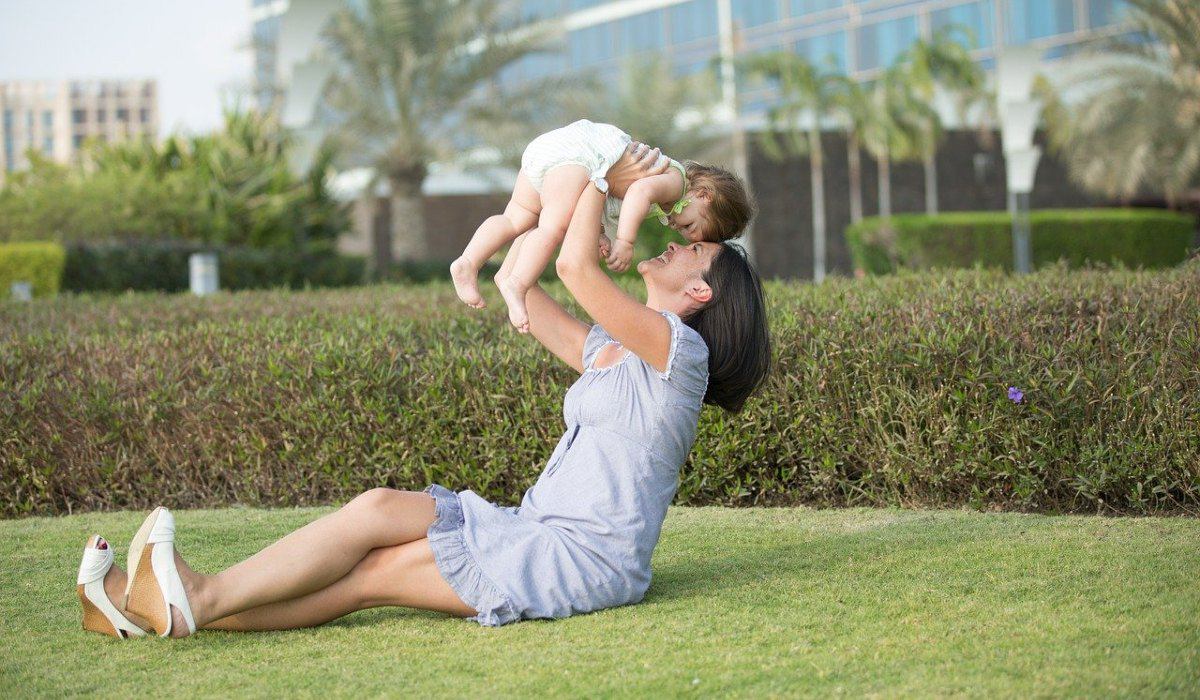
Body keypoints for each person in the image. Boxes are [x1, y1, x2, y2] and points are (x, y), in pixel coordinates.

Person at [74, 144, 772, 638]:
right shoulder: (618, 350)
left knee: (378, 573)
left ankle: (190, 600)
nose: (678, 243)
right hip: (529, 525)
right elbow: (534, 287)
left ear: (700, 291)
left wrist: (597, 160)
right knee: (378, 510)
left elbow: (577, 268)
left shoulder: (681, 353)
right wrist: (536, 213)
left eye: (695, 251)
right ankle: (143, 607)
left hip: (581, 560)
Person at [450, 119, 754, 333]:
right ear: (704, 195)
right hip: (580, 156)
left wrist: (599, 233)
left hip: (556, 151)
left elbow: (606, 195)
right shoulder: (676, 183)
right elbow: (636, 191)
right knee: (553, 227)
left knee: (516, 217)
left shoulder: (669, 195)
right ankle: (517, 282)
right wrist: (624, 241)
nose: (679, 231)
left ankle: (468, 261)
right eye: (690, 227)